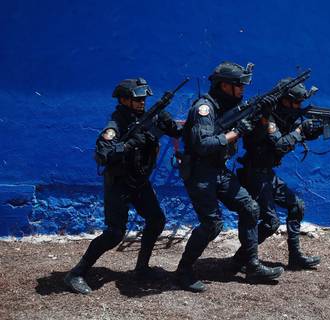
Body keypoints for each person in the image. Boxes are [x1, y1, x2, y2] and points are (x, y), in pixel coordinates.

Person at [64, 77, 183, 294]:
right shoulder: (115, 125)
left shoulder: (149, 117)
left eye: (144, 99)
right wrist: (130, 144)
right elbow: (103, 154)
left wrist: (167, 122)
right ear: (123, 100)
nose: (142, 103)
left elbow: (177, 133)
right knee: (114, 233)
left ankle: (142, 268)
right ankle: (76, 273)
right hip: (119, 184)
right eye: (137, 99)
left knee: (156, 220)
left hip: (139, 181)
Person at [175, 62, 284, 292]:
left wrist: (263, 113)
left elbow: (256, 134)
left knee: (250, 208)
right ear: (224, 85)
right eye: (239, 86)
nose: (242, 90)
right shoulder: (204, 108)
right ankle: (183, 271)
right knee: (212, 225)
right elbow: (204, 144)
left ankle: (251, 265)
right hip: (200, 174)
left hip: (219, 171)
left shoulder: (228, 107)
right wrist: (236, 133)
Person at [234, 78, 330, 270]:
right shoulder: (267, 116)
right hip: (254, 174)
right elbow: (281, 144)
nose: (299, 106)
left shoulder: (285, 116)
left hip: (267, 174)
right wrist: (300, 129)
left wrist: (329, 126)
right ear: (284, 99)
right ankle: (241, 258)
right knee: (270, 222)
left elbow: (301, 134)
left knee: (296, 206)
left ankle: (295, 257)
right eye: (296, 102)